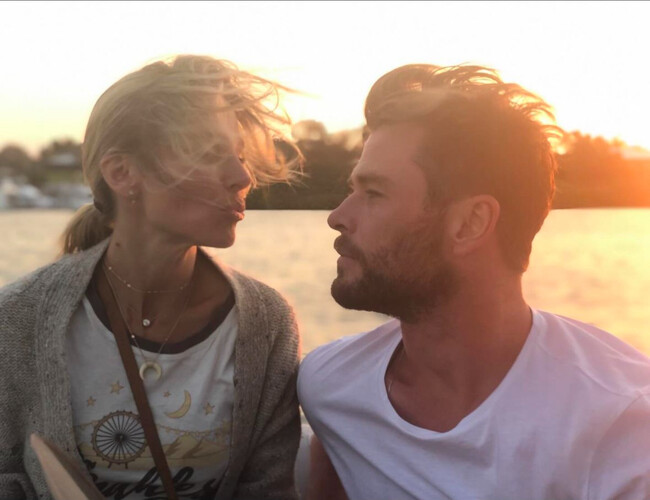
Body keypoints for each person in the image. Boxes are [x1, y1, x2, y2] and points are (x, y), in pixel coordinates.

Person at [298, 64, 650, 500]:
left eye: (374, 193)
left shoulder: (621, 425)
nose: (338, 216)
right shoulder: (331, 386)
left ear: (470, 223)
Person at [0, 55, 302, 499]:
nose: (242, 177)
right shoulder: (18, 319)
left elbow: (267, 489)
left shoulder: (265, 323)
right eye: (209, 153)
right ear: (122, 173)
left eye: (239, 155)